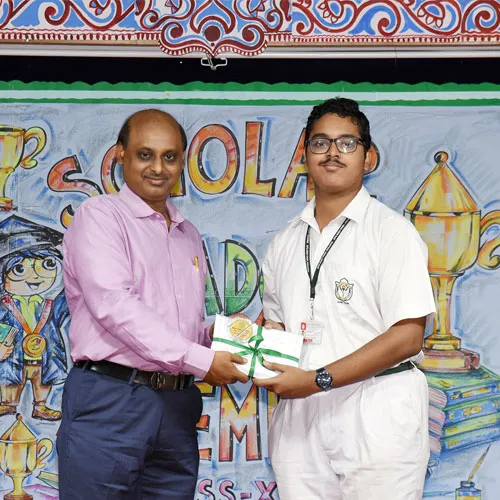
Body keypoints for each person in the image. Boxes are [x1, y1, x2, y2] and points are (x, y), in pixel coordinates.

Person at [57, 109, 248, 499]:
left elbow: (178, 331)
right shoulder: (100, 217)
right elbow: (115, 305)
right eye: (145, 155)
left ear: (183, 161)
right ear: (120, 155)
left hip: (177, 407)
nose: (158, 168)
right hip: (112, 399)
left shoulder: (187, 233)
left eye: (170, 156)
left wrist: (222, 336)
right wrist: (202, 360)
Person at [253, 98, 436, 499]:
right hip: (301, 419)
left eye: (347, 143)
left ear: (368, 158)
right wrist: (252, 344)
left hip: (378, 411)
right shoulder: (285, 241)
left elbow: (408, 337)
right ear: (304, 156)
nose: (332, 152)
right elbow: (277, 325)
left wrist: (317, 379)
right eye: (320, 143)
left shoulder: (392, 232)